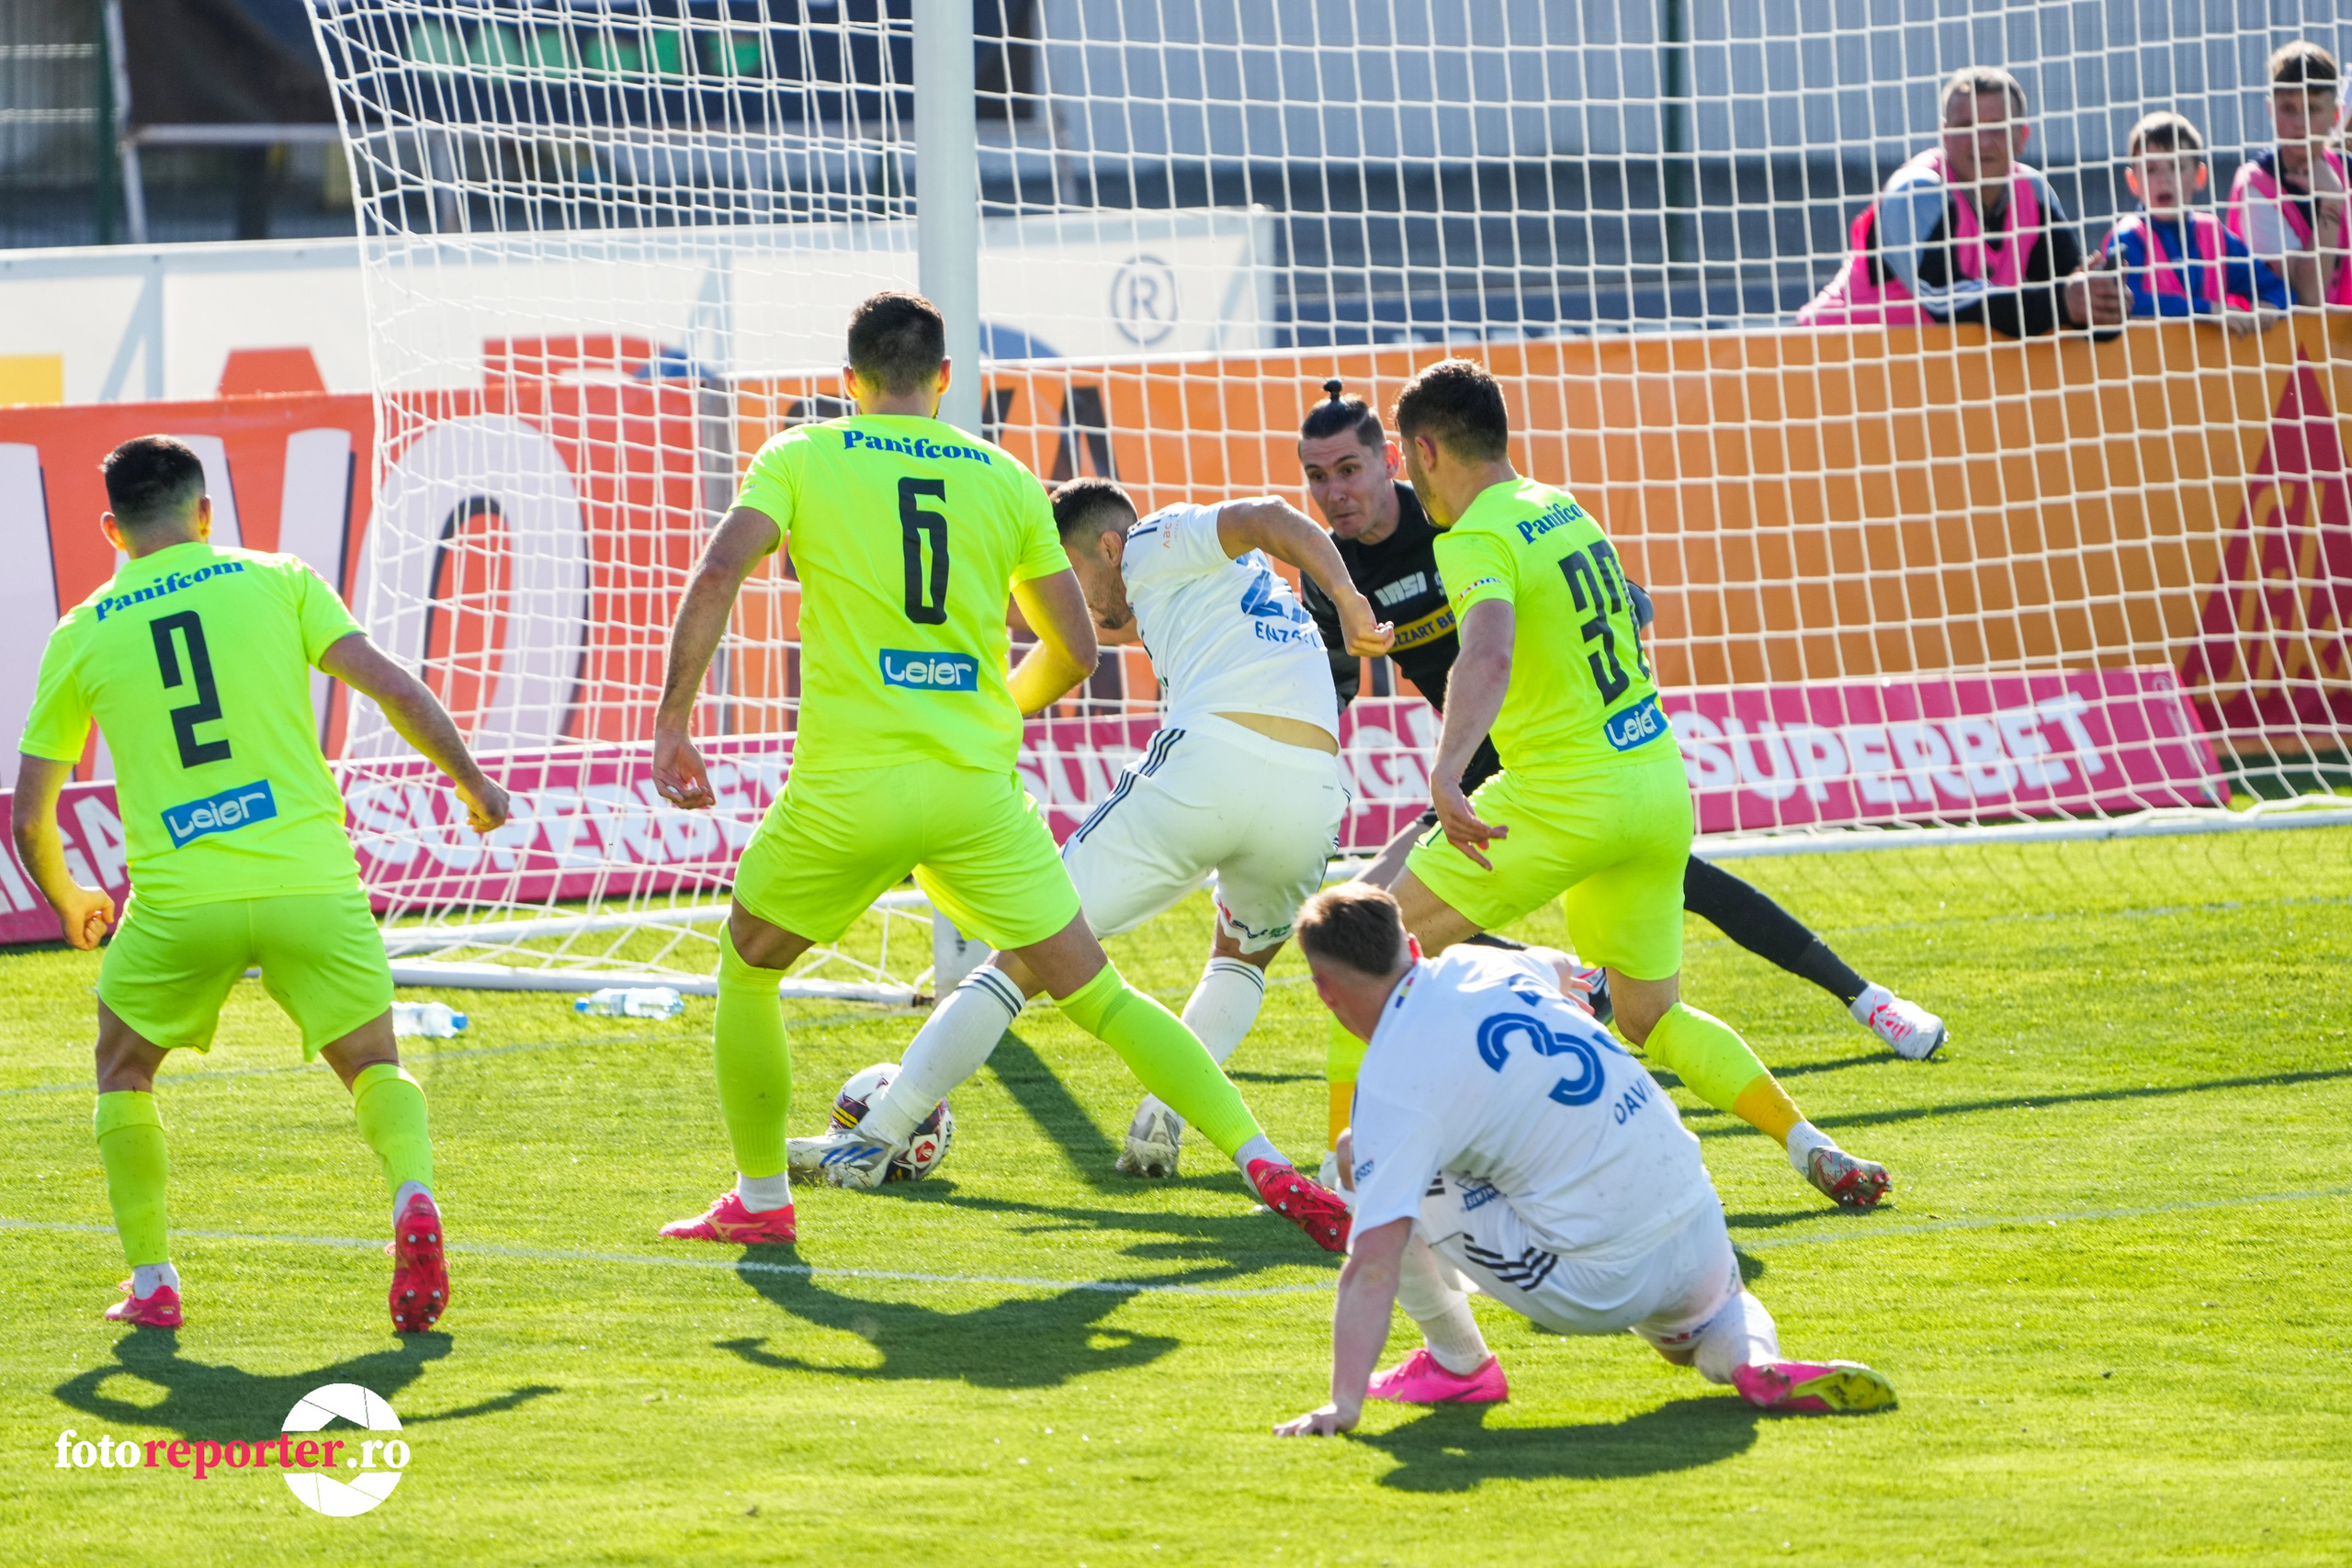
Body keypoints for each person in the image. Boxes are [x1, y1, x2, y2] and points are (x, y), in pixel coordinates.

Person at [650, 292, 1350, 1251]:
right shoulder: (1008, 480)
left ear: (847, 382)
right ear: (943, 381)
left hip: (848, 788)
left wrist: (674, 724)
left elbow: (720, 568)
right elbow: (1074, 650)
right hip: (977, 796)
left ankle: (763, 1200)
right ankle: (1261, 1158)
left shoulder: (800, 457)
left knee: (751, 968)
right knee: (1096, 993)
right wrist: (978, 712)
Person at [1295, 379, 1947, 1159]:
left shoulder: (1465, 537)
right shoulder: (1565, 507)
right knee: (1651, 1018)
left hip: (1547, 788)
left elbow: (1491, 649)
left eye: (1355, 468)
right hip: (1652, 780)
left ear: (1414, 456)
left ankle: (1348, 1163)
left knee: (1358, 944)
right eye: (1317, 475)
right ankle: (1807, 1142)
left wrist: (1445, 774)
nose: (1335, 491)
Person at [12, 434, 509, 1332]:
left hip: (178, 905)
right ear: (206, 516)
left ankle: (155, 1283)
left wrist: (71, 898)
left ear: (112, 532)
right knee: (372, 1066)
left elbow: (30, 818)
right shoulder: (278, 580)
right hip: (310, 886)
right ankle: (411, 1194)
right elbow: (392, 687)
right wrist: (472, 783)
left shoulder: (82, 631)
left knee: (123, 1070)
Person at [791, 477, 1394, 1183]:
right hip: (1314, 791)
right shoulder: (1219, 590)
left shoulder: (1152, 539)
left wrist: (1350, 599)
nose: (1065, 600)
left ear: (1109, 546)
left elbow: (1270, 513)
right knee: (1241, 957)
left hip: (1209, 766)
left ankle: (877, 1136)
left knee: (1025, 951)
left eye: (1069, 577)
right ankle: (1163, 1119)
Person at [1271, 885, 1897, 1435]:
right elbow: (1558, 965)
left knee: (1366, 1157)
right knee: (1707, 1316)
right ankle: (1752, 1359)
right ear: (1411, 942)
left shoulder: (1392, 1082)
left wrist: (1341, 1403)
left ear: (1326, 991)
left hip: (1599, 1281)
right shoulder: (1480, 962)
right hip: (1696, 1215)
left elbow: (1373, 1264)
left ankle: (1457, 1362)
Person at [1799, 65, 2123, 334]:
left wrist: (2101, 300)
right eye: (1966, 126)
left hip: (1930, 378)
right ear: (1944, 135)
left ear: (2022, 137)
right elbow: (1943, 301)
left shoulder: (2034, 193)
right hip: (1831, 359)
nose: (1981, 143)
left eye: (1997, 127)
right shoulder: (1917, 190)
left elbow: (2065, 289)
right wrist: (2064, 303)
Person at [2096, 111, 2289, 331]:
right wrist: (2206, 310)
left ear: (2200, 176)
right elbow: (2127, 304)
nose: (2164, 179)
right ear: (2133, 181)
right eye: (2151, 169)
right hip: (2148, 364)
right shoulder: (2127, 238)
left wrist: (2271, 306)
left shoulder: (2214, 235)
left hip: (2213, 363)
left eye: (2176, 167)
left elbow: (2277, 288)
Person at [2226, 41, 2350, 310]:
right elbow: (2308, 296)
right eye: (2288, 108)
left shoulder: (2348, 169)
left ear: (2336, 115)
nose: (2299, 123)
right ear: (2271, 111)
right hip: (2281, 349)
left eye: (2313, 109)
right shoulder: (2256, 186)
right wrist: (2331, 202)